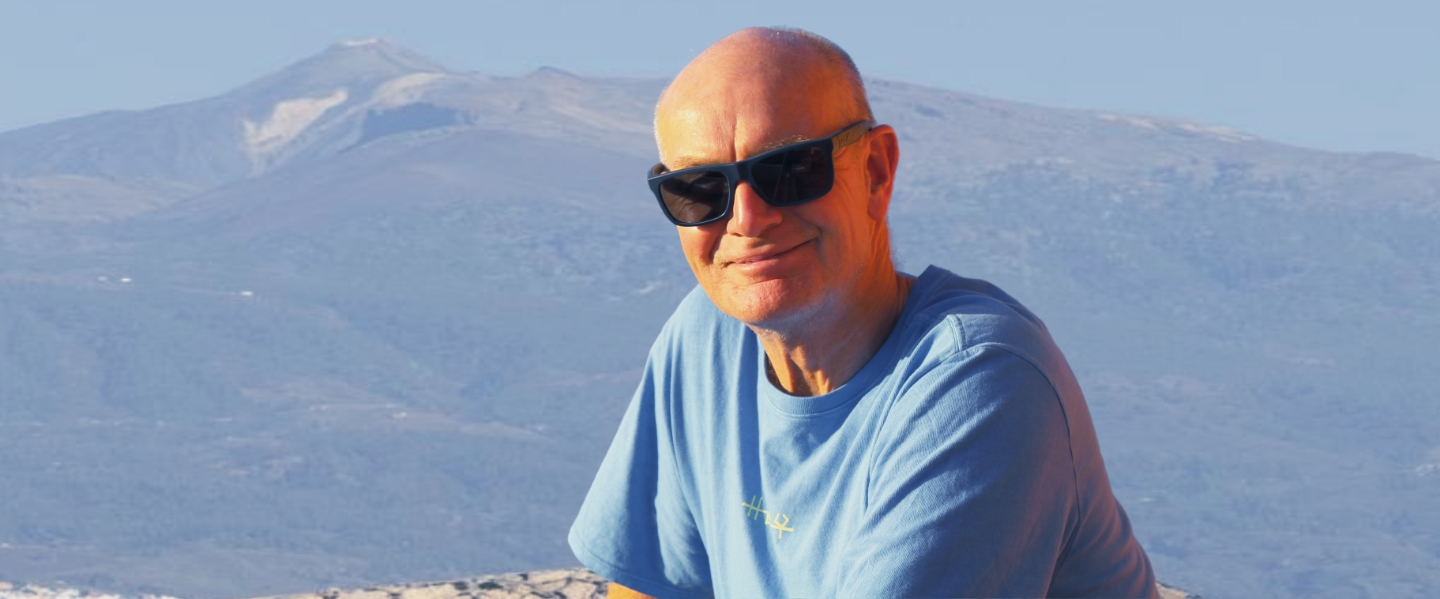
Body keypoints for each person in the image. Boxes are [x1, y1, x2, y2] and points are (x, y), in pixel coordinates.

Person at [569, 27, 1159, 599]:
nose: (747, 218)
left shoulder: (980, 383)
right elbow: (653, 588)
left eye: (790, 170)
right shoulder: (704, 341)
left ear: (877, 170)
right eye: (699, 189)